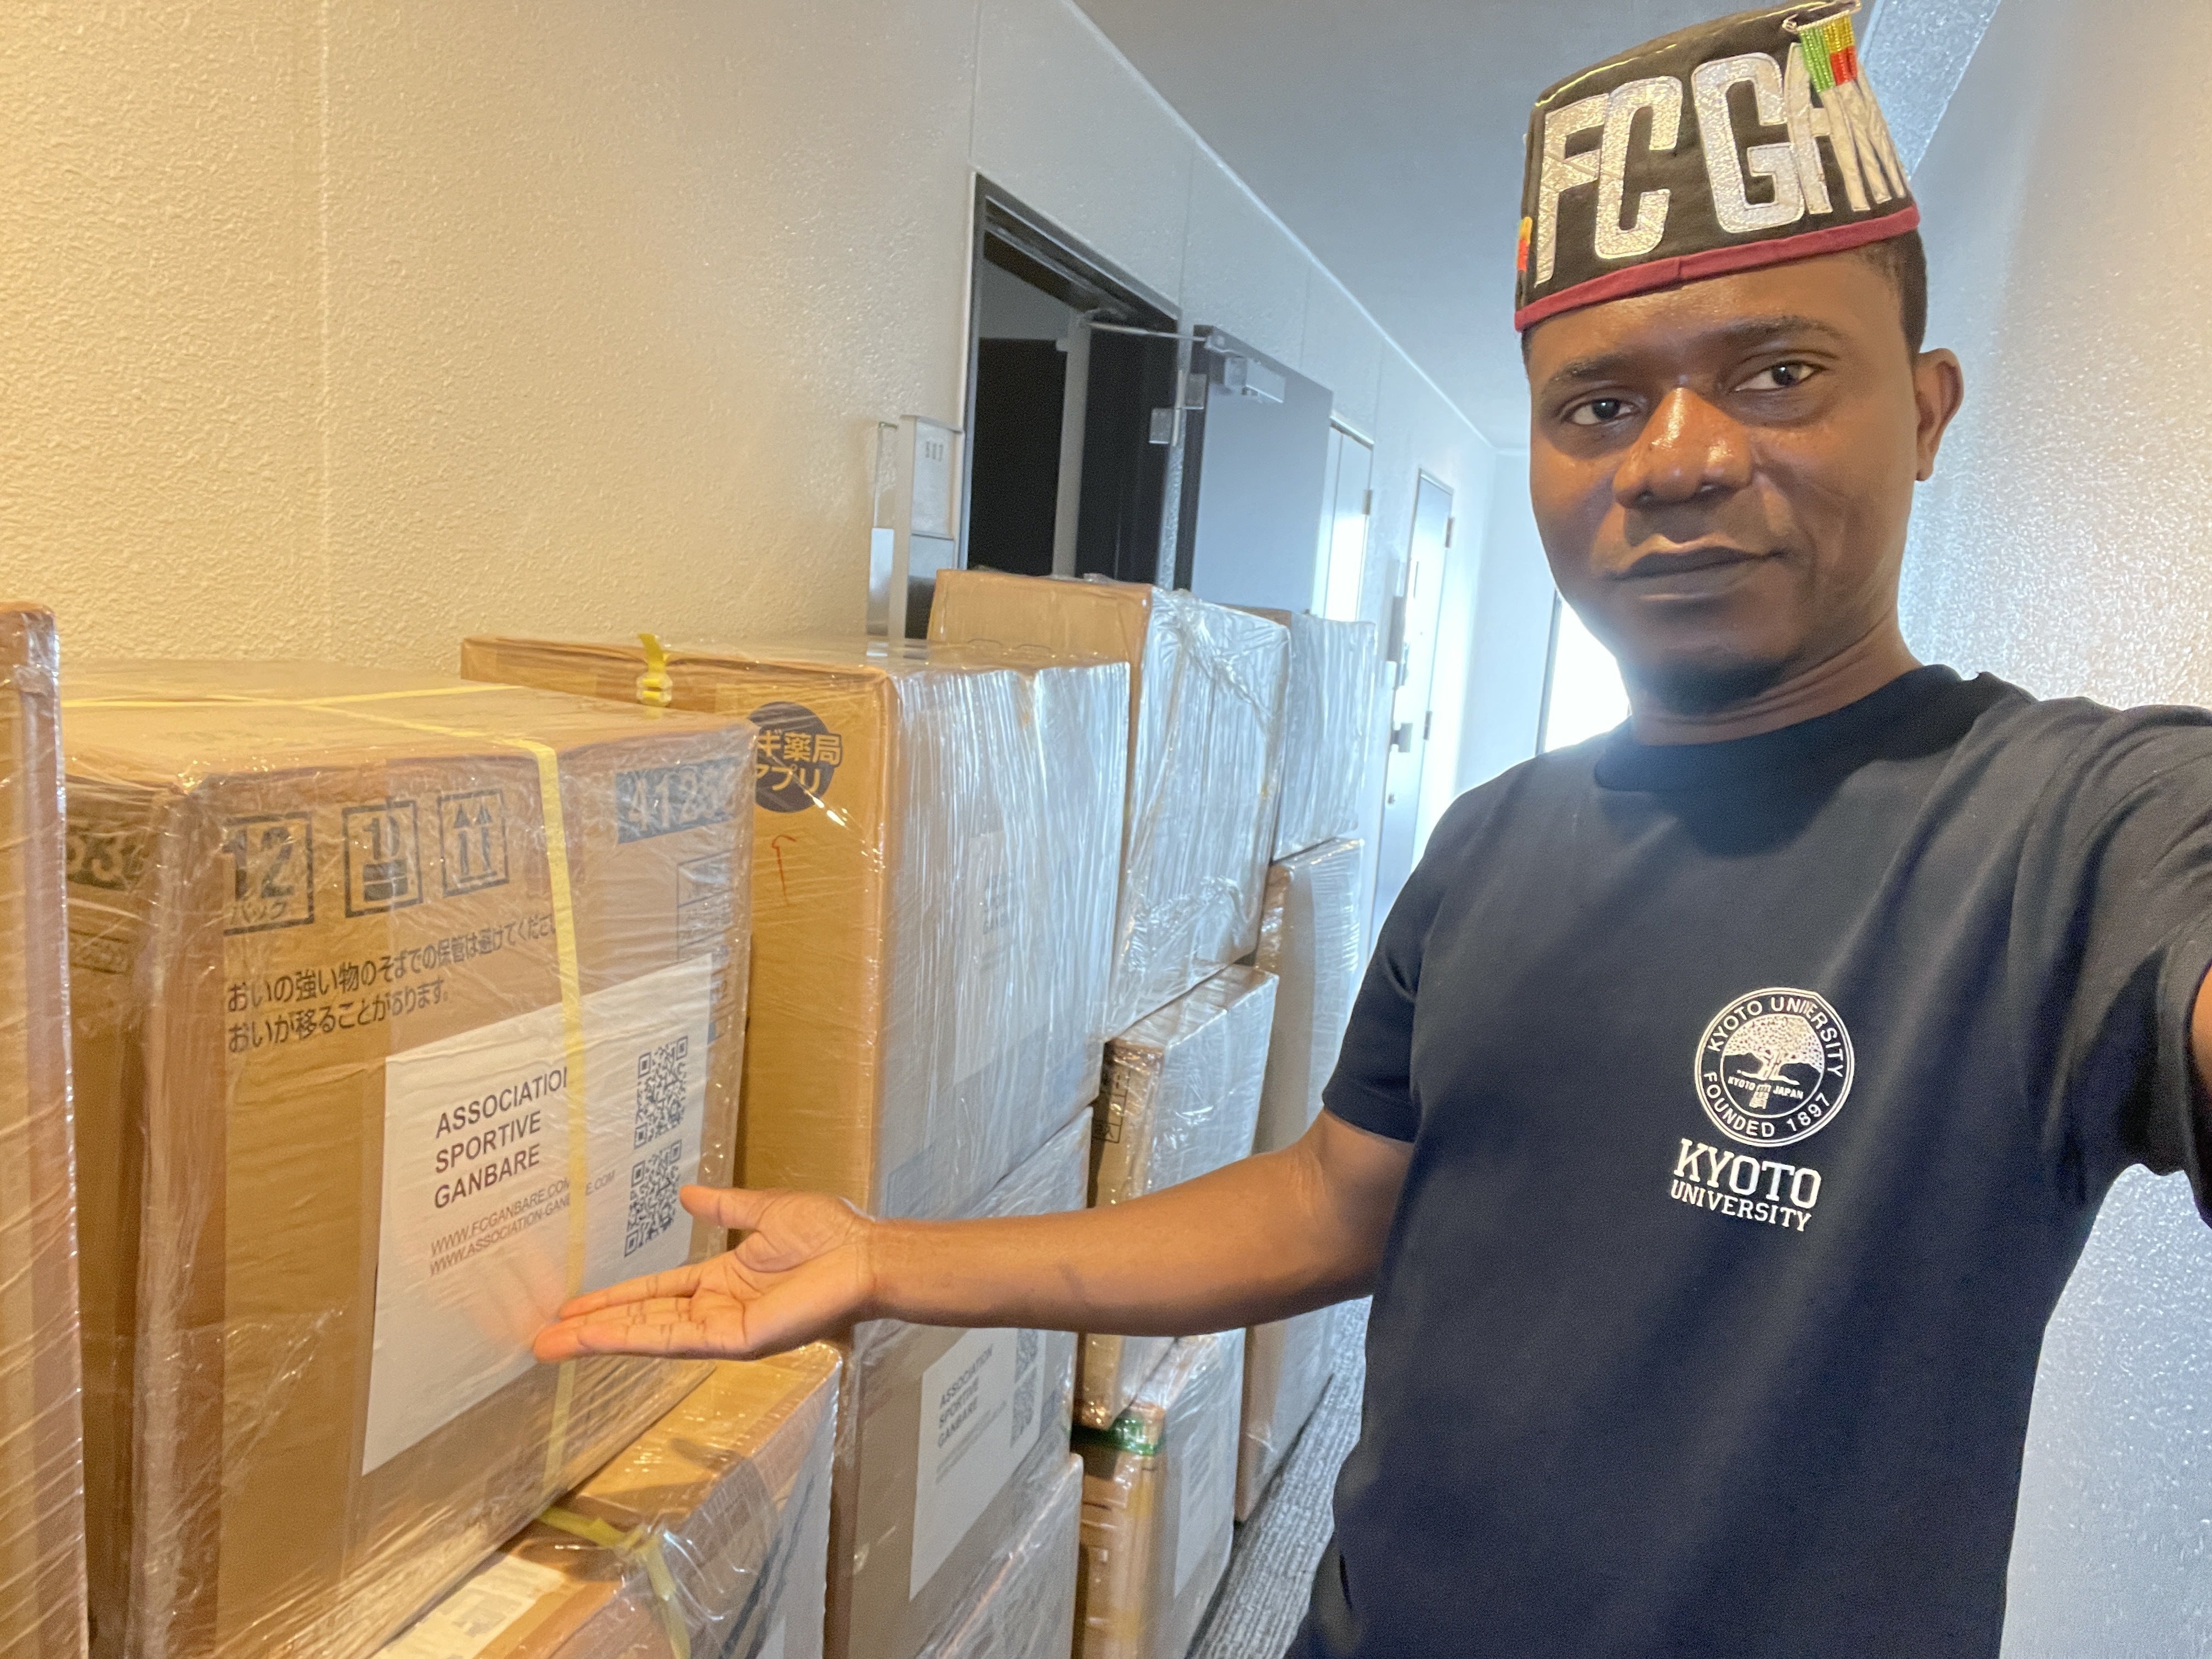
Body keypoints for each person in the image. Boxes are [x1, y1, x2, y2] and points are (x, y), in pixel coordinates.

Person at [536, 4, 2212, 1654]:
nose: (1682, 458)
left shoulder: (2073, 833)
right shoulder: (1493, 844)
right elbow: (1330, 1204)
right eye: (1599, 405)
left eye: (1779, 374)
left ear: (1925, 408)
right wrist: (882, 1256)